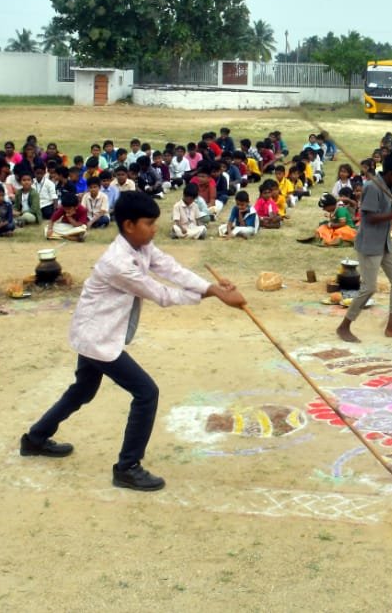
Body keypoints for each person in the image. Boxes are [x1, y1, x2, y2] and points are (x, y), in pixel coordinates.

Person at [20, 191, 246, 491]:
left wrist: (209, 287)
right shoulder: (117, 263)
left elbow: (170, 269)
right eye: (149, 223)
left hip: (99, 333)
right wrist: (215, 294)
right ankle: (128, 467)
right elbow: (160, 293)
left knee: (83, 391)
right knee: (146, 393)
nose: (154, 229)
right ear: (129, 225)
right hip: (96, 338)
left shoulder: (142, 246)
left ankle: (35, 438)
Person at [334, 150, 392, 344]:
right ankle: (344, 326)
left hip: (385, 244)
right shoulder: (373, 187)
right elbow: (369, 217)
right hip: (369, 244)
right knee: (369, 288)